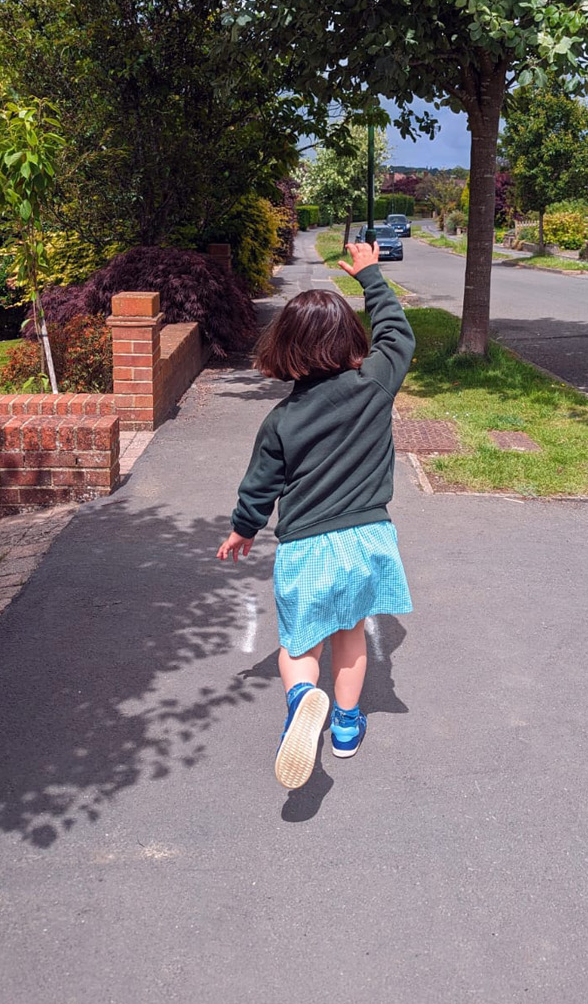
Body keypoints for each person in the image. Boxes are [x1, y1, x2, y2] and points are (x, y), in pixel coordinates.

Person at [217, 240, 415, 790]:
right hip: (367, 539)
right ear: (351, 338)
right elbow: (399, 334)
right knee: (351, 635)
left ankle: (304, 698)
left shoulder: (281, 420)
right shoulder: (374, 384)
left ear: (284, 349)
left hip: (307, 545)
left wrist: (242, 529)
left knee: (301, 645)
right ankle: (348, 728)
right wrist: (371, 276)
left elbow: (261, 485)